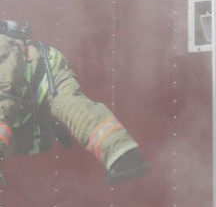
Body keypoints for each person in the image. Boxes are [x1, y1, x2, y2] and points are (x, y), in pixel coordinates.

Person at [0, 20, 148, 185]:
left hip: (49, 72)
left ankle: (124, 154)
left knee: (73, 109)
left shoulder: (2, 44)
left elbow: (4, 92)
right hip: (28, 93)